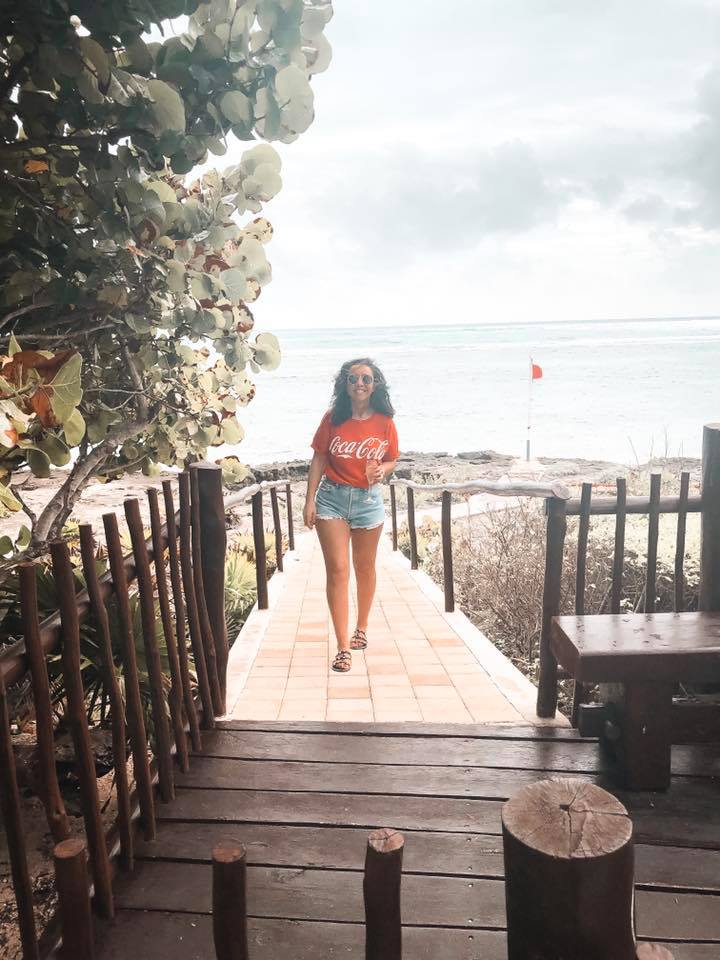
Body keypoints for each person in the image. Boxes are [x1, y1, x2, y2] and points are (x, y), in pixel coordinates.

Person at [303, 358, 399, 672]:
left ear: (375, 385)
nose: (359, 384)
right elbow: (318, 459)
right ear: (344, 384)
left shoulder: (385, 421)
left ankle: (362, 627)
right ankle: (343, 647)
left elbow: (392, 459)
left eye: (366, 379)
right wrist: (309, 501)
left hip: (368, 500)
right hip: (331, 498)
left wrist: (382, 471)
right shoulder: (333, 418)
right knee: (338, 570)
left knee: (364, 567)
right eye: (353, 378)